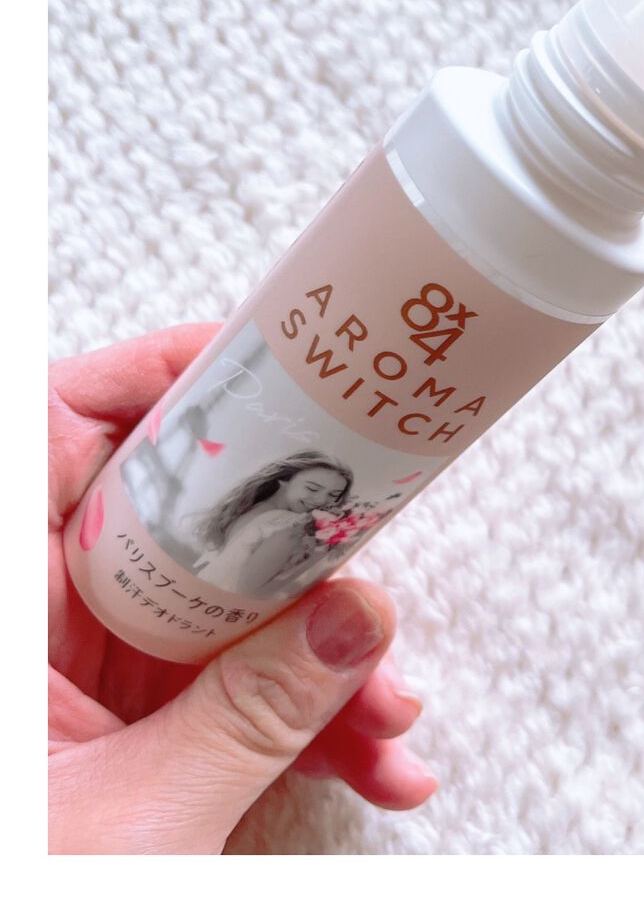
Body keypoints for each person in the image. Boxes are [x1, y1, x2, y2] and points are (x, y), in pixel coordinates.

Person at [48, 324, 437, 854]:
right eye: (314, 487)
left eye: (329, 498)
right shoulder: (242, 514)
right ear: (286, 478)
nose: (318, 501)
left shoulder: (290, 531)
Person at [191, 452, 354, 598]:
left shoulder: (247, 508)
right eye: (312, 489)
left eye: (333, 495)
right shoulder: (290, 524)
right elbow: (247, 591)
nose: (322, 500)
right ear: (285, 479)